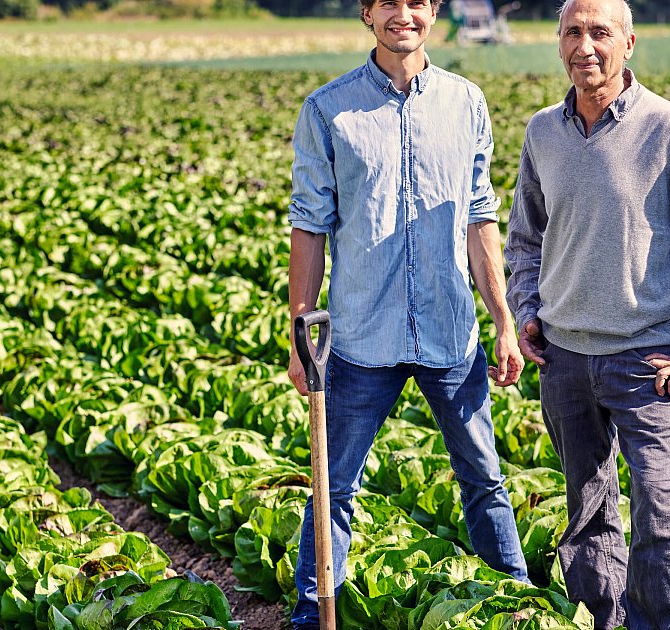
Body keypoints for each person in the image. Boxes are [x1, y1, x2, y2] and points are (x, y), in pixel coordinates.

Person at [503, 0, 670, 628]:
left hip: (645, 359)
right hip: (563, 357)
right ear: (558, 43)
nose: (586, 46)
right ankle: (600, 618)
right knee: (585, 508)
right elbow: (526, 240)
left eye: (600, 33)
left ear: (629, 43)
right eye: (573, 32)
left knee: (659, 509)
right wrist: (528, 309)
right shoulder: (543, 133)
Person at [285, 0, 530, 626]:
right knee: (333, 488)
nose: (404, 14)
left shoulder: (466, 102)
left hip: (450, 331)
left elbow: (480, 218)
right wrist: (299, 331)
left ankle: (518, 605)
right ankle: (314, 616)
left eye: (417, 2)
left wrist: (502, 320)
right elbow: (309, 227)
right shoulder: (327, 110)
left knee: (484, 480)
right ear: (367, 12)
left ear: (435, 11)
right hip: (361, 336)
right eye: (388, 1)